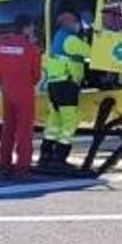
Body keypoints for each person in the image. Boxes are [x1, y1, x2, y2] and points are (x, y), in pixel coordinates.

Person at [0, 16, 43, 179]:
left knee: (8, 130)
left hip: (7, 91)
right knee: (24, 132)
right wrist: (25, 83)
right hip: (24, 92)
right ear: (26, 28)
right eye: (32, 27)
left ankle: (4, 166)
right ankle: (22, 169)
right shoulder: (31, 48)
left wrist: (5, 83)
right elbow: (36, 75)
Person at [42, 11, 91, 169]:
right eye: (76, 22)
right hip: (66, 84)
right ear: (68, 23)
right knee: (70, 120)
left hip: (54, 84)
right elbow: (90, 51)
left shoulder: (57, 37)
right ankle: (60, 157)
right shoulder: (70, 39)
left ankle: (46, 154)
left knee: (54, 120)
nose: (77, 25)